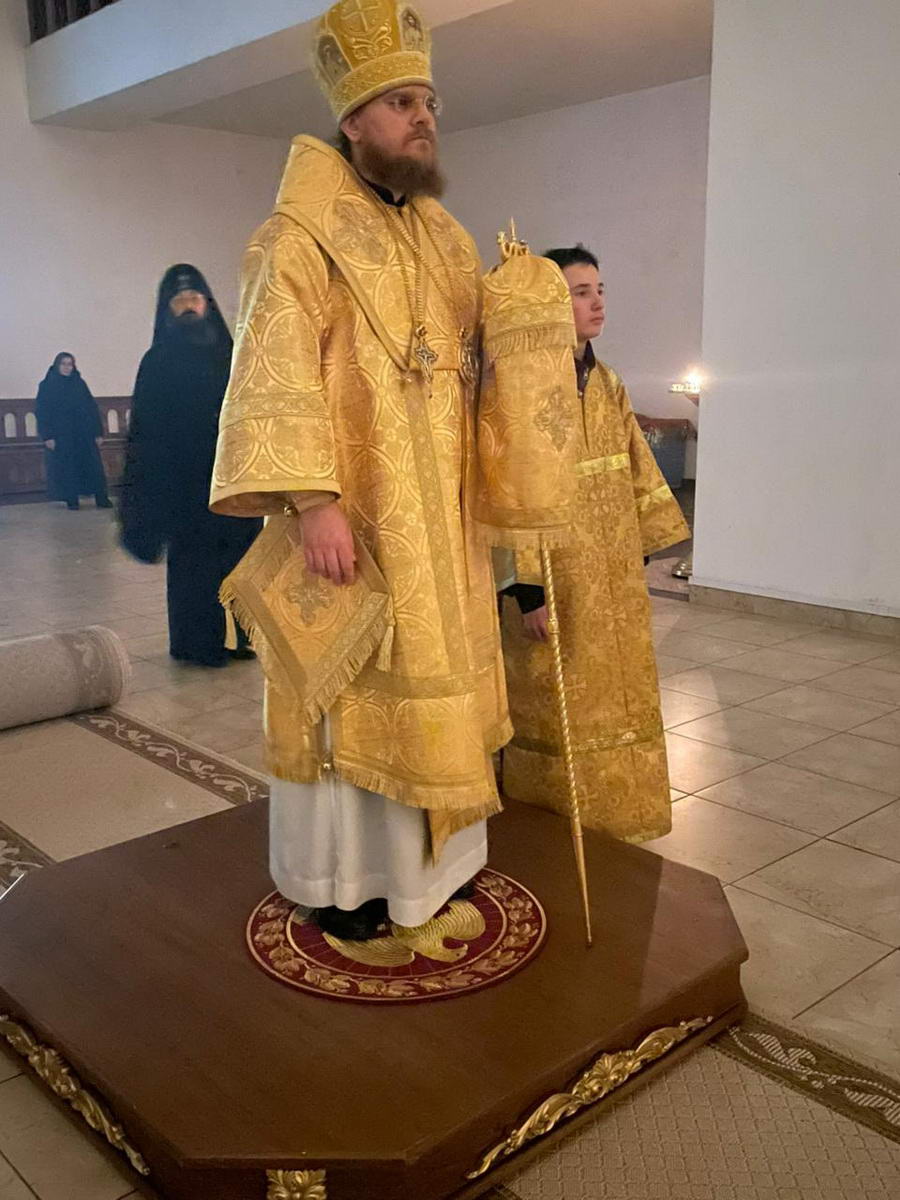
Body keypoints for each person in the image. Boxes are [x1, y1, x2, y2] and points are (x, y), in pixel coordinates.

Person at [210, 0, 509, 941]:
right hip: (356, 519)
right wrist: (314, 502)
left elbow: (478, 365)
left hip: (441, 526)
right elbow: (273, 372)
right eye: (400, 103)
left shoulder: (447, 240)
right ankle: (347, 882)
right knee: (351, 691)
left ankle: (437, 871)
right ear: (352, 120)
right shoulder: (295, 238)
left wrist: (533, 312)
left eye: (429, 101)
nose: (424, 118)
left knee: (440, 686)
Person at [500, 244, 690, 843]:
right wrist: (527, 590)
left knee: (619, 694)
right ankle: (552, 826)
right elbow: (508, 490)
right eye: (580, 293)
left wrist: (637, 555)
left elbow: (636, 469)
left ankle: (618, 820)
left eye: (599, 290)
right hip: (552, 576)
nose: (597, 303)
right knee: (553, 699)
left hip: (612, 578)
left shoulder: (608, 382)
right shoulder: (522, 388)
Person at [119, 265, 261, 668]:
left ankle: (243, 638)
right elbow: (145, 433)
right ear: (167, 308)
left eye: (193, 298)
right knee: (194, 570)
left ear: (206, 303)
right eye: (178, 300)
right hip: (185, 488)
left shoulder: (231, 354)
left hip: (232, 482)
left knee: (241, 564)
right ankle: (196, 644)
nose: (187, 306)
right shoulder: (156, 361)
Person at [35, 353, 111, 511]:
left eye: (69, 364)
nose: (67, 367)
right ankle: (72, 499)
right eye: (63, 364)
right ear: (57, 365)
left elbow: (91, 408)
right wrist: (47, 436)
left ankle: (101, 498)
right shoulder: (47, 385)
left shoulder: (79, 383)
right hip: (62, 434)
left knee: (93, 466)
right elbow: (42, 412)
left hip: (84, 432)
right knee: (68, 467)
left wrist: (98, 432)